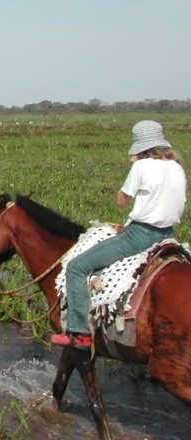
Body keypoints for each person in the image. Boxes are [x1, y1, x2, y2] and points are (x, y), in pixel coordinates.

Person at [51, 120, 186, 350]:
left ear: (140, 147)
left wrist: (134, 165)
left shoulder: (141, 167)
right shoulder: (176, 166)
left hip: (140, 235)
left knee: (77, 267)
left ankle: (79, 333)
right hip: (169, 235)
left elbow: (121, 201)